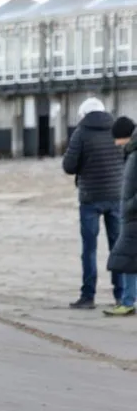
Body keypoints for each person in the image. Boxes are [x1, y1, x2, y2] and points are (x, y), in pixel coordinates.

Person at [63, 97, 125, 310]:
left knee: (89, 249)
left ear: (84, 114)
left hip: (90, 198)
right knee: (118, 248)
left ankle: (88, 296)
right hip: (117, 196)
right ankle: (121, 296)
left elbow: (69, 166)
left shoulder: (81, 133)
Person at [103, 116, 137, 316]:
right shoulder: (132, 151)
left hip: (133, 215)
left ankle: (127, 301)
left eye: (117, 138)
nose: (116, 143)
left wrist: (131, 204)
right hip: (130, 215)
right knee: (129, 259)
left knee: (127, 259)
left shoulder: (134, 153)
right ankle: (127, 300)